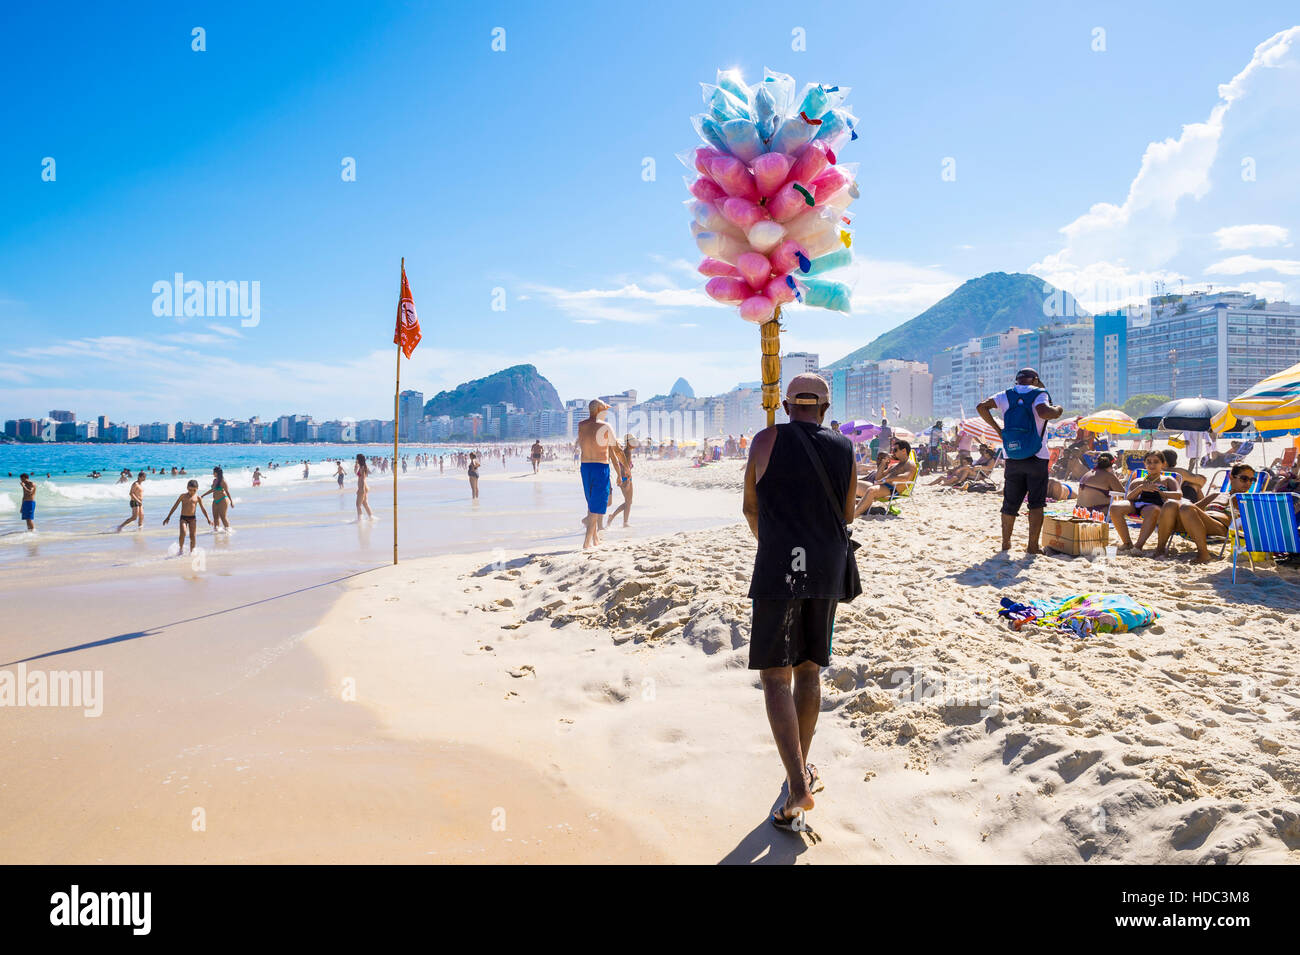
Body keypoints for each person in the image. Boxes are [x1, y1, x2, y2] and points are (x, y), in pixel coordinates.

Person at [742, 374, 855, 831]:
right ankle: (802, 770)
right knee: (809, 670)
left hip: (779, 564)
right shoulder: (845, 447)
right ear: (825, 408)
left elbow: (750, 507)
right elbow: (847, 513)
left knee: (775, 677)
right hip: (827, 565)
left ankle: (796, 785)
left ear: (787, 406)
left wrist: (773, 542)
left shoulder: (765, 439)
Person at [976, 367, 1063, 554]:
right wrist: (1058, 410)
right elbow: (1044, 412)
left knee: (1010, 502)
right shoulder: (1039, 393)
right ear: (1035, 380)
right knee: (1036, 503)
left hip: (1012, 456)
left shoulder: (1005, 395)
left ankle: (1006, 543)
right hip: (1037, 456)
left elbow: (981, 407)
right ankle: (1032, 546)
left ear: (1017, 380)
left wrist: (999, 430)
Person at [1171, 463, 1256, 563]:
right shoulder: (1216, 495)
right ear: (1231, 477)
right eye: (1244, 479)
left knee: (1186, 507)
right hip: (1201, 524)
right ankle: (1160, 551)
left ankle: (1204, 554)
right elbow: (1194, 508)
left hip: (1222, 528)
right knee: (1171, 505)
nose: (1248, 483)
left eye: (1252, 480)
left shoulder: (1249, 501)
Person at [576, 399, 627, 549]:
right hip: (600, 467)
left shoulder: (581, 425)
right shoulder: (605, 426)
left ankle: (595, 539)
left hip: (585, 467)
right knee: (595, 506)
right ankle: (586, 543)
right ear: (599, 410)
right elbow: (617, 450)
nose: (606, 412)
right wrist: (625, 468)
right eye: (605, 409)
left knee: (592, 502)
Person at [1110, 450, 1182, 554]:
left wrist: (1161, 492)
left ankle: (1138, 546)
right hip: (1138, 505)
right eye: (1149, 462)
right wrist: (1141, 488)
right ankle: (1127, 543)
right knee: (1115, 507)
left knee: (1152, 510)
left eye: (1156, 462)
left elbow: (1179, 495)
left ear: (1163, 464)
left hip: (1157, 507)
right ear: (1144, 464)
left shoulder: (1167, 479)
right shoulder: (1138, 481)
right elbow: (1129, 497)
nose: (1152, 465)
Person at [853, 440, 916, 518]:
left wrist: (886, 480)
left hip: (892, 491)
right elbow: (878, 478)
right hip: (881, 487)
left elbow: (906, 477)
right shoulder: (895, 465)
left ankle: (854, 514)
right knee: (853, 484)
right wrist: (883, 463)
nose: (893, 452)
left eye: (895, 450)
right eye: (892, 450)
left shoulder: (909, 464)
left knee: (871, 490)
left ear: (904, 451)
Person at [163, 480, 211, 555]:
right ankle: (181, 549)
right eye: (190, 490)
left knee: (193, 536)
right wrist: (168, 517)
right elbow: (175, 506)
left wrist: (208, 519)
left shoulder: (198, 498)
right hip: (183, 518)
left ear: (197, 489)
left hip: (192, 518)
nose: (192, 492)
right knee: (183, 533)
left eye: (194, 490)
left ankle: (192, 551)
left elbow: (203, 509)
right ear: (187, 488)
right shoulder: (183, 496)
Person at [607, 435, 636, 528]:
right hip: (625, 478)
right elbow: (623, 467)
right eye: (633, 441)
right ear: (628, 442)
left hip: (626, 478)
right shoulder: (627, 452)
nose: (635, 443)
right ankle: (615, 518)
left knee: (628, 501)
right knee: (628, 501)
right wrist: (626, 480)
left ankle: (623, 521)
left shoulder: (627, 451)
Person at [202, 466, 233, 532]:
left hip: (223, 500)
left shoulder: (223, 481)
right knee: (215, 517)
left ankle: (228, 531)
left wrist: (231, 502)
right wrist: (203, 495)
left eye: (213, 472)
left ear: (217, 473)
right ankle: (216, 531)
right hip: (215, 501)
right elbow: (212, 490)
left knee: (223, 517)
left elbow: (227, 492)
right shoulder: (214, 480)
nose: (213, 473)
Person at [355, 453, 373, 518]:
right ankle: (371, 517)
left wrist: (361, 489)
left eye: (356, 458)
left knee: (358, 505)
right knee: (365, 504)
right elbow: (357, 473)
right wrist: (356, 465)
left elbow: (362, 479)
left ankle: (360, 519)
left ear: (359, 459)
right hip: (364, 486)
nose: (356, 459)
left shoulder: (362, 467)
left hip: (362, 487)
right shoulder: (363, 466)